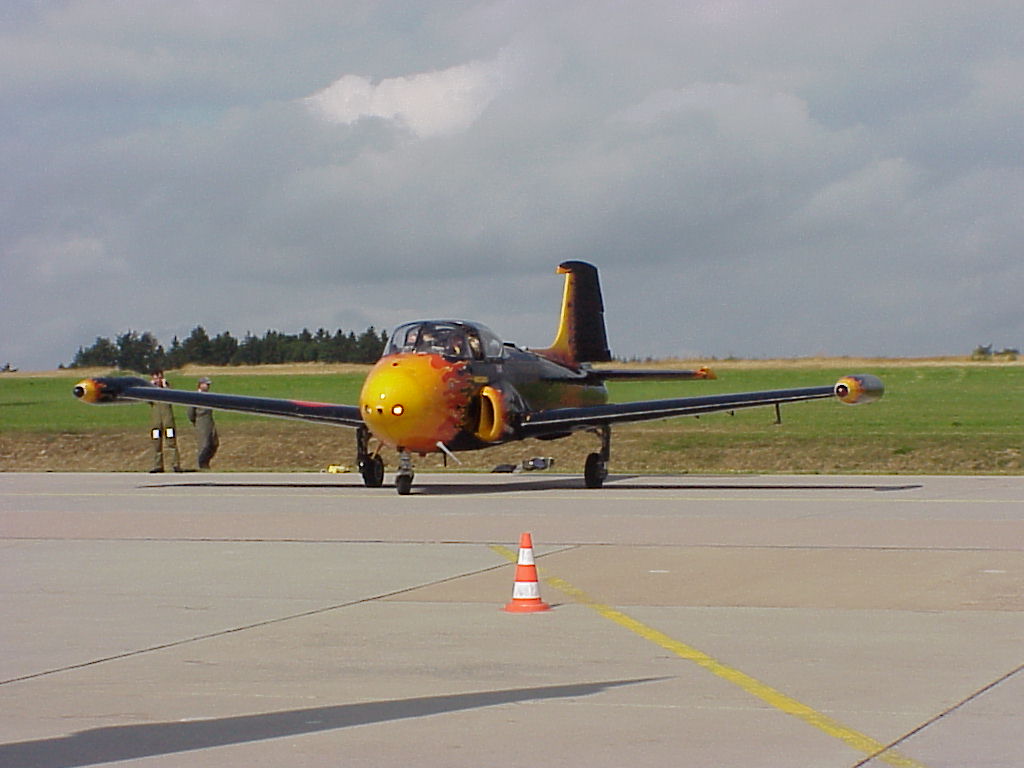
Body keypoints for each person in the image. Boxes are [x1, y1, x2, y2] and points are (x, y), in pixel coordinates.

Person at [148, 370, 181, 473]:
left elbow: (173, 396)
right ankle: (157, 465)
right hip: (156, 423)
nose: (157, 380)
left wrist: (165, 386)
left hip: (168, 422)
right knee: (156, 443)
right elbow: (147, 400)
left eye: (159, 378)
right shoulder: (151, 392)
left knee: (171, 442)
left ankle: (175, 464)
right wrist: (149, 387)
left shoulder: (167, 389)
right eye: (155, 378)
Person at [187, 376, 219, 470]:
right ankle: (201, 465)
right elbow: (190, 412)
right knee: (204, 444)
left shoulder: (209, 396)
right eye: (206, 384)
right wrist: (195, 422)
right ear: (200, 385)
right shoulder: (195, 396)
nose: (208, 386)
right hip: (201, 421)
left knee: (214, 443)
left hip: (210, 421)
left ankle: (206, 462)